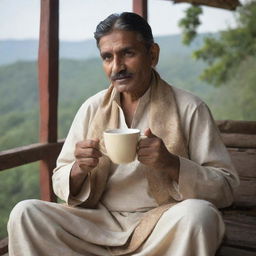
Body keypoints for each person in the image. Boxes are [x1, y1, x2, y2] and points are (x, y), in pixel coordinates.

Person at [8, 12, 239, 256]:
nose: (117, 66)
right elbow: (59, 180)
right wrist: (79, 168)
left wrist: (171, 163)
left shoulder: (190, 108)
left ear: (152, 55)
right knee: (26, 213)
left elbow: (226, 188)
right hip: (97, 224)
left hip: (162, 226)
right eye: (107, 57)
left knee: (199, 216)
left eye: (128, 53)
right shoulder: (92, 108)